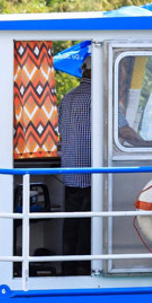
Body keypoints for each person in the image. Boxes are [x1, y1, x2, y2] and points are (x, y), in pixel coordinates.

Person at [56, 48, 95, 276]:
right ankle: (85, 266)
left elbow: (61, 131)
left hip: (70, 169)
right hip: (92, 170)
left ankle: (68, 266)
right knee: (89, 222)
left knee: (71, 220)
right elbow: (123, 130)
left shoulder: (68, 97)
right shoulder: (99, 97)